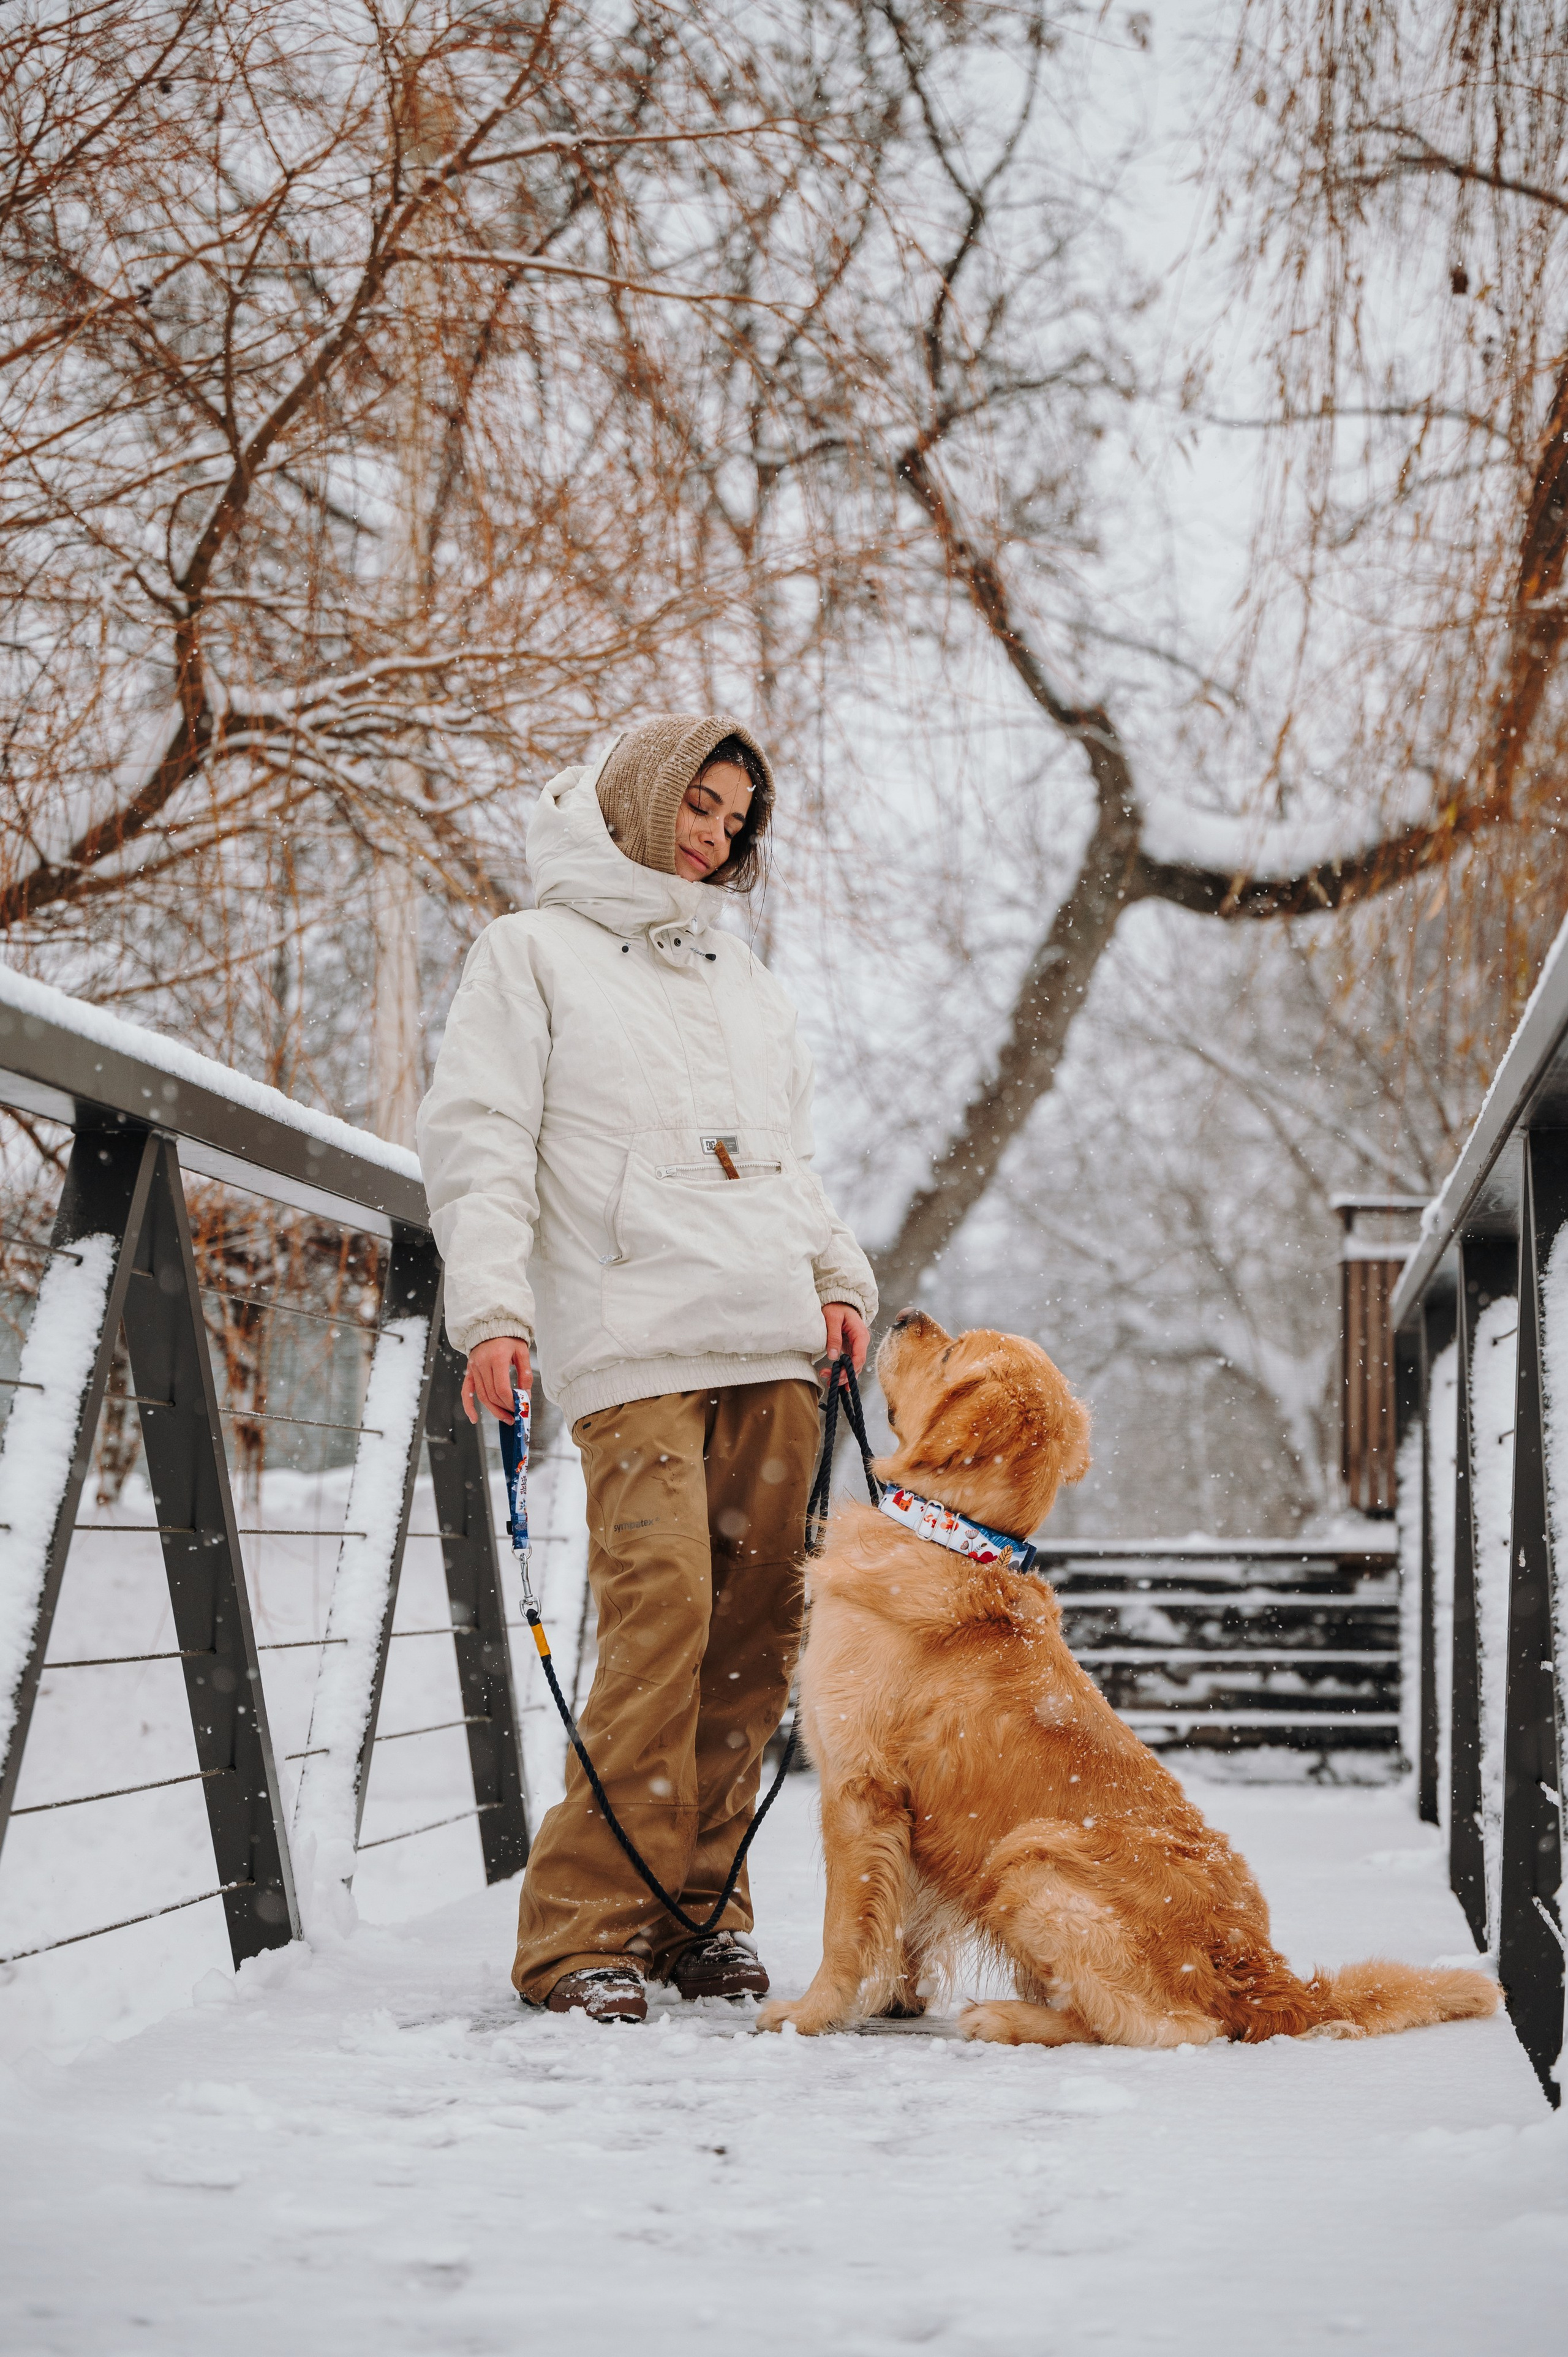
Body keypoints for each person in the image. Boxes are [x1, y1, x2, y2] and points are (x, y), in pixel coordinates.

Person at [417, 714, 878, 2023]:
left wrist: (839, 1279)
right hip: (630, 1343)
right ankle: (577, 1933)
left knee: (754, 1638)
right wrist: (491, 1309)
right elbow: (482, 1140)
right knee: (661, 1613)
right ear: (637, 790)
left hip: (773, 1338)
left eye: (734, 819)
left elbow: (788, 1159)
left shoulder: (745, 979)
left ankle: (697, 1914)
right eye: (699, 801)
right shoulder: (530, 954)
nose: (713, 832)